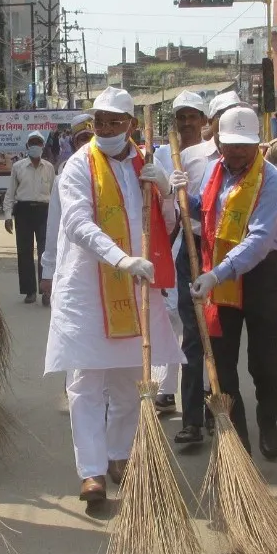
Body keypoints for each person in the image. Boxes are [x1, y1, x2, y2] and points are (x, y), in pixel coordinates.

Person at [45, 86, 180, 506]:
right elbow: (77, 224)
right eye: (99, 121)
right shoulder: (77, 165)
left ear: (131, 125)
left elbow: (169, 225)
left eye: (113, 122)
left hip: (136, 287)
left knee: (129, 381)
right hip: (88, 286)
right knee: (85, 382)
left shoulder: (147, 162)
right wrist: (121, 259)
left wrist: (166, 192)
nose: (104, 129)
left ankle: (119, 455)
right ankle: (92, 471)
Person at [178, 106, 277, 459]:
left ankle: (267, 420)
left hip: (260, 273)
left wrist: (216, 273)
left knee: (267, 361)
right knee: (221, 358)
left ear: (257, 143)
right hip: (220, 273)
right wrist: (175, 192)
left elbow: (259, 239)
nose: (238, 152)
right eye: (231, 145)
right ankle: (237, 435)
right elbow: (205, 210)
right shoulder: (215, 172)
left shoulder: (271, 180)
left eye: (245, 145)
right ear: (219, 143)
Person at [165, 91, 221, 445]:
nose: (187, 123)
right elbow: (172, 213)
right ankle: (192, 420)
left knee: (219, 333)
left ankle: (219, 407)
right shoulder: (183, 157)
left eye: (193, 116)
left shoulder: (238, 155)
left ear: (206, 121)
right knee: (191, 333)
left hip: (223, 252)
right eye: (181, 117)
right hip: (191, 247)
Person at [39, 113, 95, 305]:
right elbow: (54, 225)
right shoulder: (63, 177)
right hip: (75, 261)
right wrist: (48, 271)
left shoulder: (115, 172)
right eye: (82, 139)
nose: (87, 144)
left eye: (91, 138)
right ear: (74, 143)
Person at [3, 130, 56, 303]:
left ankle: (46, 291)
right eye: (32, 143)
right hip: (23, 211)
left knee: (45, 251)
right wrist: (7, 216)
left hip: (44, 211)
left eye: (38, 143)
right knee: (24, 251)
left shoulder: (49, 168)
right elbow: (10, 192)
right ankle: (29, 291)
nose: (35, 146)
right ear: (27, 146)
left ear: (43, 146)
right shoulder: (18, 167)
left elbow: (55, 194)